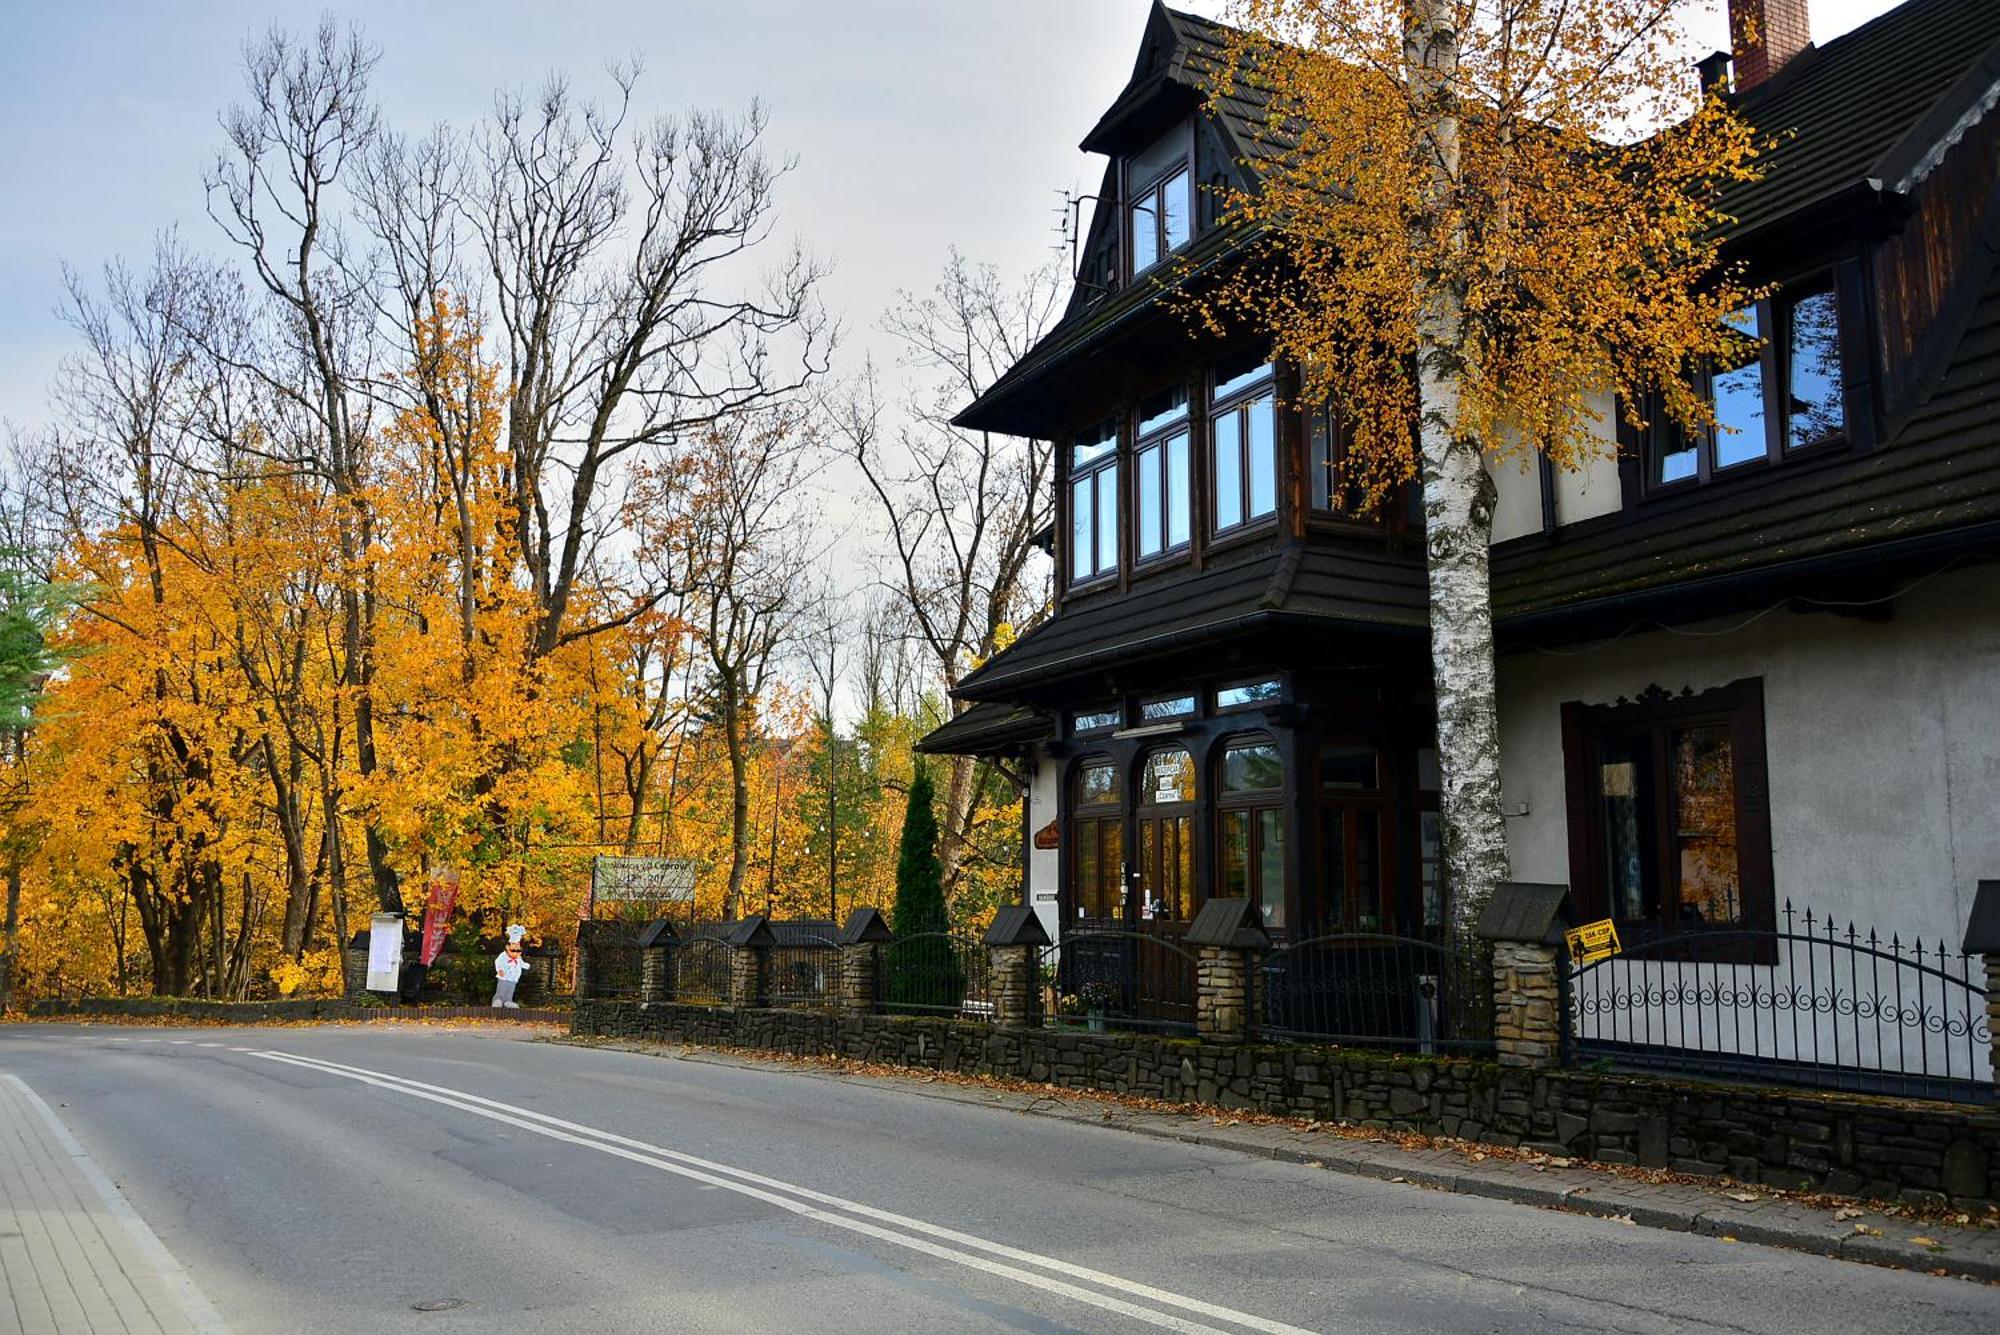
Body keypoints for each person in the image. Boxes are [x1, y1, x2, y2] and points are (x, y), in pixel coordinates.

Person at [492, 925, 529, 1008]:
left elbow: (521, 963)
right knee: (501, 989)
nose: (515, 952)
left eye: (518, 950)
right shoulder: (503, 956)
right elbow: (497, 962)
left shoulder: (518, 958)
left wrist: (526, 965)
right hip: (504, 976)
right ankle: (498, 1000)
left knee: (510, 990)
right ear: (507, 947)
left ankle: (508, 1001)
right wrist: (499, 969)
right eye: (513, 950)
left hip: (513, 977)